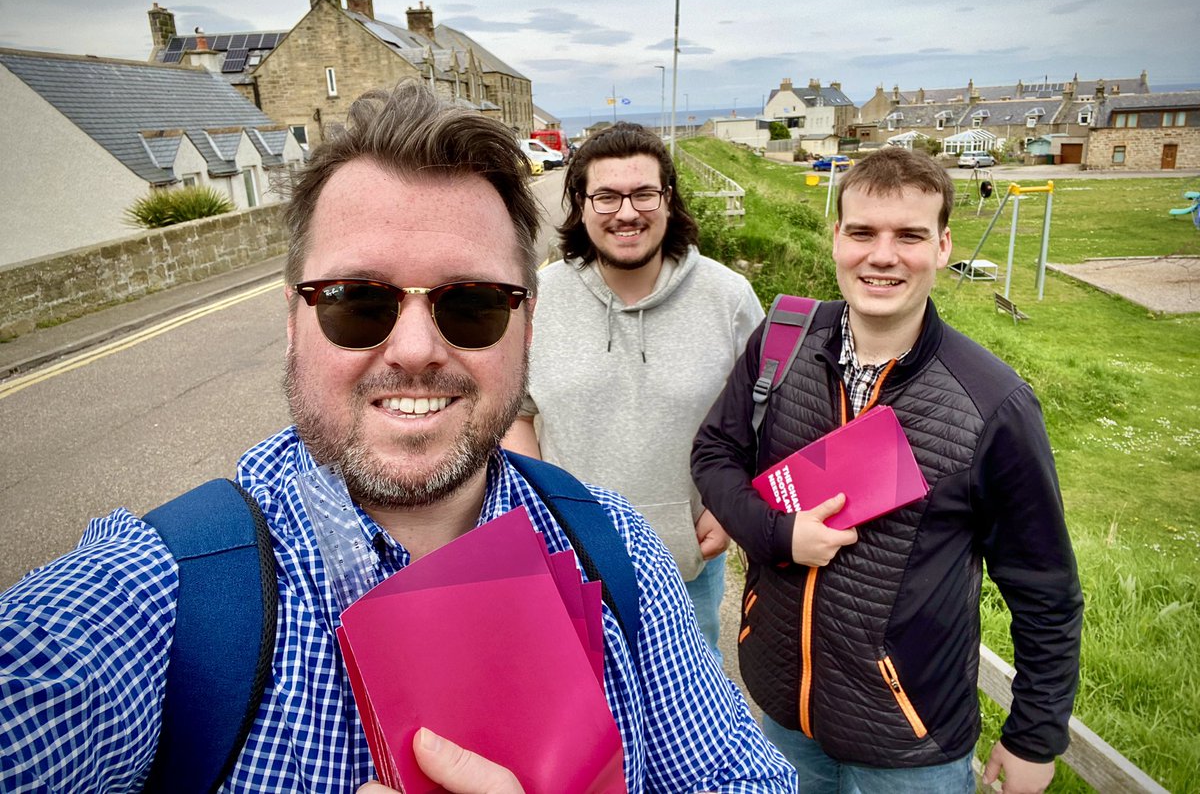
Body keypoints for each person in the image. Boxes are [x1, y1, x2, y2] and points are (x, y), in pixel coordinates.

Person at [0, 84, 795, 793]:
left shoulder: (618, 548)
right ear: (292, 322)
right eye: (357, 300)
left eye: (473, 303)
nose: (415, 348)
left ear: (525, 327)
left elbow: (739, 774)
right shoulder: (162, 594)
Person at [691, 147, 1083, 794]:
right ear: (837, 236)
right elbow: (714, 453)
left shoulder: (994, 404)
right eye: (864, 233)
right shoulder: (781, 342)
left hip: (909, 746)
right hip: (785, 715)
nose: (882, 255)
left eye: (909, 236)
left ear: (943, 244)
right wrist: (777, 535)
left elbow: (1045, 589)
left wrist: (1035, 737)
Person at [502, 121, 763, 661]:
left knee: (687, 729)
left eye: (644, 193)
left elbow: (766, 412)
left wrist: (735, 503)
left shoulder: (729, 297)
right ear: (580, 203)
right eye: (606, 196)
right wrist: (539, 517)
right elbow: (516, 415)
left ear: (668, 199)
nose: (627, 212)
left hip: (685, 568)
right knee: (586, 724)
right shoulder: (536, 301)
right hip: (571, 568)